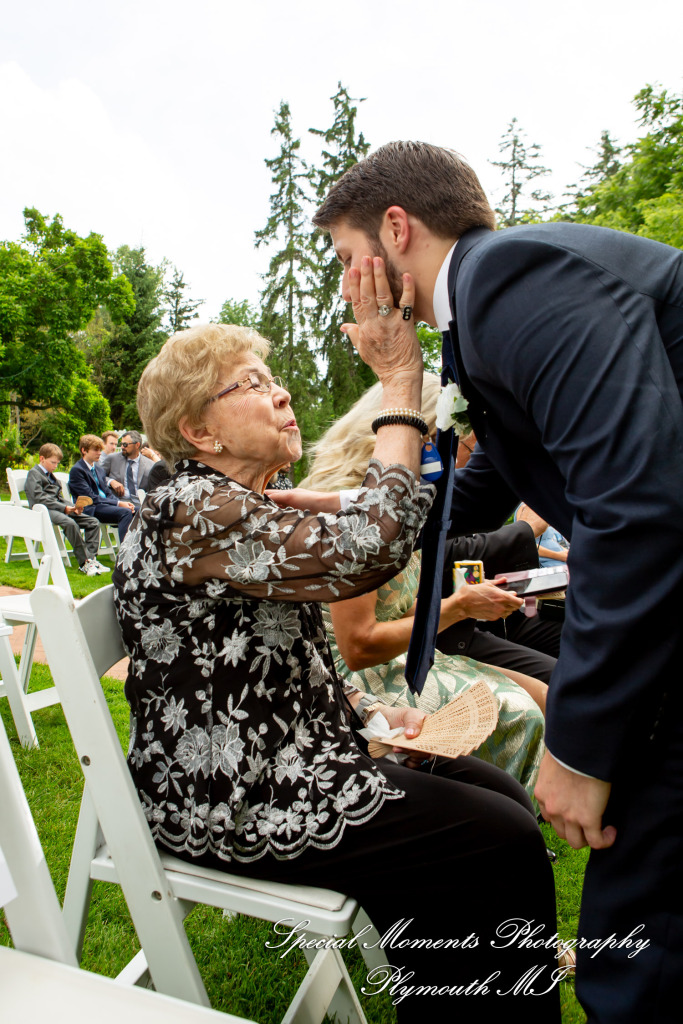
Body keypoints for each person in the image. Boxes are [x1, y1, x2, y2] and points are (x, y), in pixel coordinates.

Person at [310, 140, 683, 1024]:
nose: (343, 288)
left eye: (345, 259)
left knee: (638, 951)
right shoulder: (480, 313)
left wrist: (580, 748)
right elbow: (480, 481)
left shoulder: (510, 278)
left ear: (394, 230)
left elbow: (637, 509)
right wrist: (349, 511)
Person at [113, 308, 560, 1021]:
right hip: (231, 793)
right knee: (494, 838)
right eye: (251, 384)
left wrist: (374, 715)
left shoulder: (231, 506)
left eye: (272, 378)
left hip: (298, 757)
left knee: (499, 799)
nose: (281, 393)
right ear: (199, 432)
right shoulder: (192, 508)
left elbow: (294, 658)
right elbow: (373, 549)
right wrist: (397, 392)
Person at [296, 377, 547, 797]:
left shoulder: (403, 502)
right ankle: (487, 820)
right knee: (518, 709)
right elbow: (358, 647)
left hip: (407, 653)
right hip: (358, 676)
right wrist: (458, 607)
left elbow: (404, 611)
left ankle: (510, 823)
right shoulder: (355, 510)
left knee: (540, 693)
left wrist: (459, 604)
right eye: (433, 442)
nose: (441, 458)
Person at [24, 443, 107, 576]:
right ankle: (84, 562)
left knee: (93, 522)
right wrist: (64, 508)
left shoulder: (51, 475)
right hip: (43, 510)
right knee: (70, 523)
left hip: (58, 508)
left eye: (57, 463)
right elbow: (39, 498)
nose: (55, 466)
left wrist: (73, 507)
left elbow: (59, 497)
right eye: (53, 462)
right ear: (42, 459)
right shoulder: (34, 474)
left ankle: (91, 560)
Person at [68, 434, 136, 541]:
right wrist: (119, 504)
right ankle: (125, 551)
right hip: (91, 507)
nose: (99, 453)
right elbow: (90, 497)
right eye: (96, 450)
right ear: (84, 450)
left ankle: (140, 548)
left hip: (105, 504)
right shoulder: (77, 470)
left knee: (137, 510)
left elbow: (107, 492)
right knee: (125, 512)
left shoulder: (99, 469)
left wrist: (120, 503)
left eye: (100, 450)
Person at [105, 430, 157, 506]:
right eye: (121, 444)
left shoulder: (150, 464)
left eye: (125, 444)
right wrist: (111, 481)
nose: (122, 447)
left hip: (141, 503)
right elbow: (98, 476)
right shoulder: (112, 459)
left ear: (137, 445)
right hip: (118, 502)